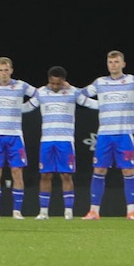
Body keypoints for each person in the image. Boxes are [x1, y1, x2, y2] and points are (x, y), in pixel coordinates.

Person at [82, 51, 134, 220]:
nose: (113, 64)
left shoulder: (132, 81)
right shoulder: (100, 82)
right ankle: (94, 211)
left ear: (123, 64)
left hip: (124, 134)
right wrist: (99, 105)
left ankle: (131, 211)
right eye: (110, 62)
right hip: (104, 134)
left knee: (128, 170)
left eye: (116, 61)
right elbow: (81, 95)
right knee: (99, 170)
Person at [30, 66, 96, 220]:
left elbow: (89, 102)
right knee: (45, 175)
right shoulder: (41, 92)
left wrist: (106, 106)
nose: (55, 86)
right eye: (52, 83)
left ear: (63, 81)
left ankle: (68, 212)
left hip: (65, 141)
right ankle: (43, 212)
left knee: (66, 175)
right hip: (47, 140)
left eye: (58, 84)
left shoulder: (72, 92)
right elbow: (27, 107)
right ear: (48, 80)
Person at [0, 57, 37, 219]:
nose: (4, 73)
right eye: (1, 70)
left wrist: (24, 108)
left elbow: (40, 95)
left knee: (17, 172)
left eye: (6, 70)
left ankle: (17, 211)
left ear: (11, 70)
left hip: (15, 136)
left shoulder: (20, 85)